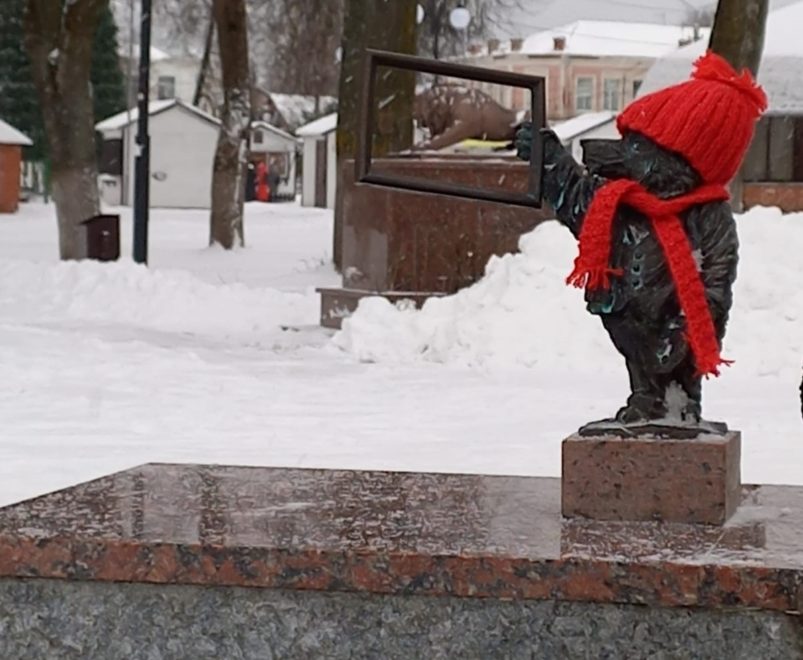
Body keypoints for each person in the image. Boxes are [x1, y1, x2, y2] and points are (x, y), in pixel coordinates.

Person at [516, 51, 767, 433]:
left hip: (674, 322)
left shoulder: (708, 216)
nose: (620, 154)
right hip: (625, 312)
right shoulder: (619, 200)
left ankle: (679, 404)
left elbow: (713, 282)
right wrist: (548, 158)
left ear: (679, 162)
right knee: (639, 364)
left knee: (672, 371)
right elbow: (575, 197)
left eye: (635, 147)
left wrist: (684, 330)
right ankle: (646, 400)